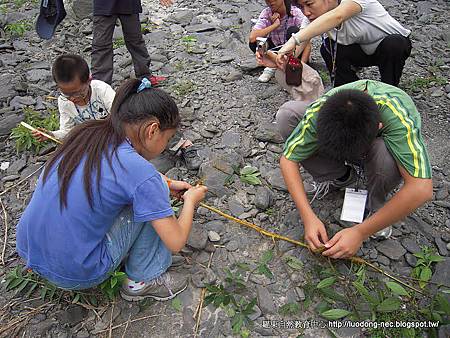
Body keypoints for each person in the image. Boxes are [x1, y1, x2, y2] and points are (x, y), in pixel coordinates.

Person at [17, 78, 208, 301]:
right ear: (153, 130)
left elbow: (118, 174)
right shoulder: (142, 175)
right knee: (150, 205)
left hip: (29, 248)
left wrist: (166, 182)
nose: (165, 145)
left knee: (145, 194)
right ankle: (142, 280)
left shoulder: (88, 134)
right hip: (76, 272)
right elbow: (175, 242)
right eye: (167, 139)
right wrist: (190, 201)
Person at [277, 80, 432, 259]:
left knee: (384, 156)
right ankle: (342, 177)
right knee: (287, 115)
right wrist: (308, 217)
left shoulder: (398, 115)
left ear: (379, 127)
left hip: (377, 149)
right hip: (351, 138)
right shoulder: (320, 111)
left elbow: (422, 188)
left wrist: (360, 232)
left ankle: (376, 206)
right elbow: (288, 160)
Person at [274, 0, 411, 87]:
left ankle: (389, 90)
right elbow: (300, 44)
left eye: (309, 4)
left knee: (394, 43)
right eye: (301, 7)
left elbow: (337, 15)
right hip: (361, 51)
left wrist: (294, 39)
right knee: (328, 47)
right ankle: (350, 90)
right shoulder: (312, 17)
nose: (306, 12)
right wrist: (279, 57)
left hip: (389, 48)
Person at [32, 54, 115, 141]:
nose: (72, 98)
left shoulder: (101, 90)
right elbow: (67, 131)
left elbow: (119, 115)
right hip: (92, 141)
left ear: (89, 81)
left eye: (78, 93)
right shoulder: (64, 102)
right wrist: (52, 135)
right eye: (66, 94)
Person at [91, 0, 173, 85]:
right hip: (104, 5)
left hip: (129, 3)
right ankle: (100, 85)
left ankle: (145, 76)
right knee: (101, 45)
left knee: (136, 41)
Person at [249, 0, 311, 82]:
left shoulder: (295, 13)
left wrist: (303, 66)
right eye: (267, 0)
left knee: (294, 31)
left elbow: (307, 40)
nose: (270, 2)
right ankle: (274, 66)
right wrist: (274, 25)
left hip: (293, 51)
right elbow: (252, 38)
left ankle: (294, 68)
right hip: (276, 48)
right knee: (256, 42)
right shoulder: (267, 13)